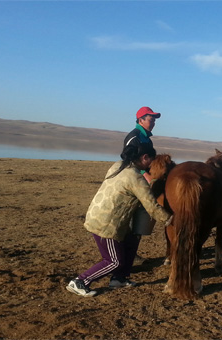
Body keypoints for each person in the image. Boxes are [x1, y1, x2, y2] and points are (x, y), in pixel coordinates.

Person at [66, 140, 172, 297]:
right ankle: (80, 281)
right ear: (144, 157)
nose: (151, 165)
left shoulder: (118, 165)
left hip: (102, 214)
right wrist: (170, 219)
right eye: (151, 160)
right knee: (113, 261)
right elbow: (152, 206)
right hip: (106, 223)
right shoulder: (135, 178)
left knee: (131, 241)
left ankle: (119, 279)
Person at [123, 106, 162, 265]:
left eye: (153, 121)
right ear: (140, 120)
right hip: (133, 181)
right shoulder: (135, 137)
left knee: (139, 218)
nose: (153, 123)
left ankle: (132, 253)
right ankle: (126, 255)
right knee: (130, 218)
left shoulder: (147, 139)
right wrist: (144, 174)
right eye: (150, 120)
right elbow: (127, 160)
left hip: (144, 182)